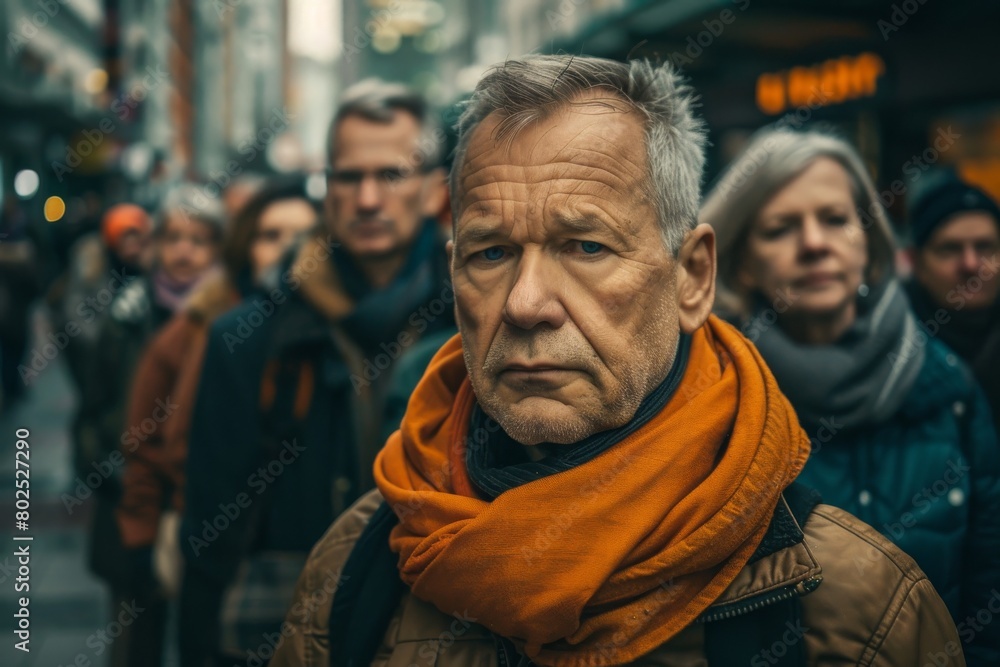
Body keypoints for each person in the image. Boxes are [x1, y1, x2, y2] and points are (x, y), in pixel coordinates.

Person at [270, 56, 963, 667]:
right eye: (491, 252)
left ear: (692, 276)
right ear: (453, 277)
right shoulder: (354, 566)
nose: (526, 302)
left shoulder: (859, 605)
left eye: (586, 247)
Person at [179, 81, 453, 667]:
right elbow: (208, 537)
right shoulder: (248, 339)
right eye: (349, 177)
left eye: (393, 174)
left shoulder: (478, 322)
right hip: (290, 631)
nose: (369, 199)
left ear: (435, 191)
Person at [702, 128, 999, 664]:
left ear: (869, 242)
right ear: (742, 262)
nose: (815, 243)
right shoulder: (712, 404)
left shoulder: (948, 387)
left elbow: (990, 588)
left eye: (836, 219)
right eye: (780, 228)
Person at [114, 178, 319, 667]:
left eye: (302, 237)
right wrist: (146, 532)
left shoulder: (327, 334)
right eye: (271, 236)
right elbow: (145, 440)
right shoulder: (209, 327)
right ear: (246, 245)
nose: (287, 251)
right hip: (213, 547)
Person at [75, 184, 224, 667]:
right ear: (155, 244)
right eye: (174, 237)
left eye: (199, 240)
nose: (184, 251)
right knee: (134, 639)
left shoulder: (235, 318)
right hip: (131, 500)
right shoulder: (127, 316)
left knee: (207, 637)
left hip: (205, 504)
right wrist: (107, 467)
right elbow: (92, 409)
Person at [906, 179, 1000, 423]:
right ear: (917, 264)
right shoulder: (892, 352)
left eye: (985, 247)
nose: (970, 264)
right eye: (949, 249)